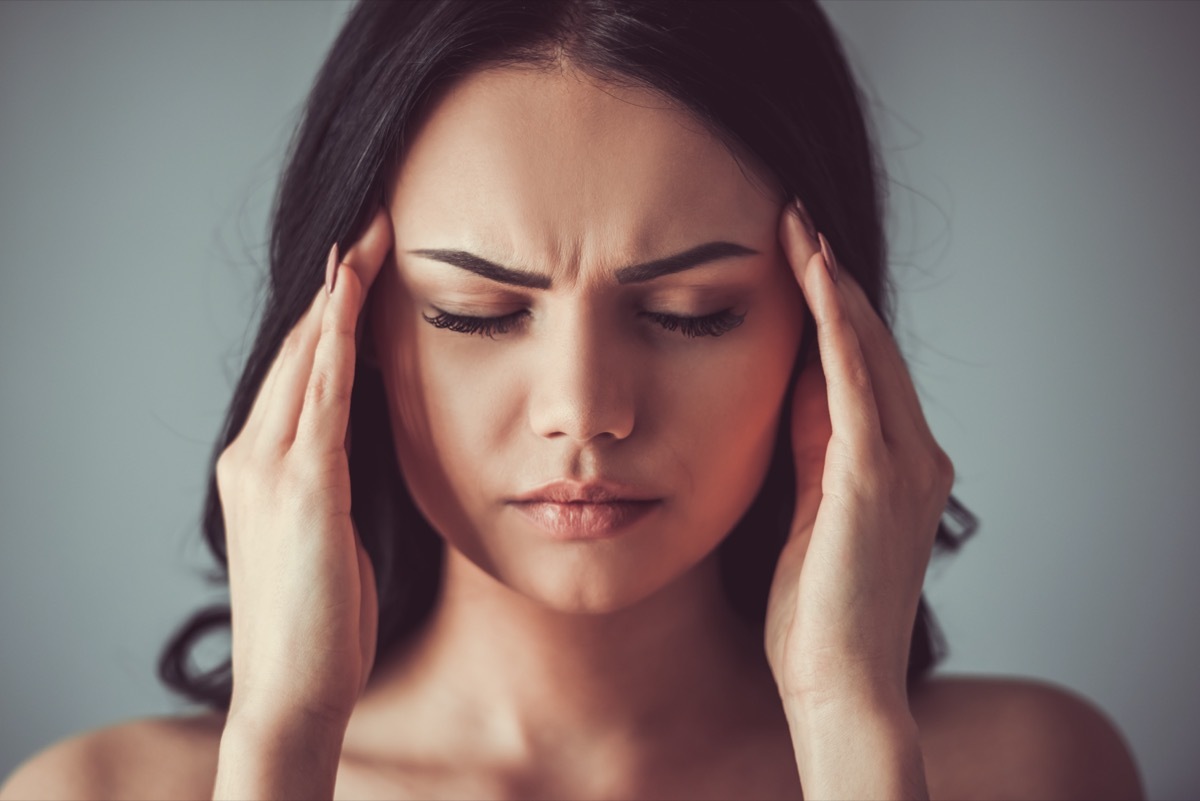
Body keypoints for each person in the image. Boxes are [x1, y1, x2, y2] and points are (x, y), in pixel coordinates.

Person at [1, 1, 1143, 799]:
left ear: (830, 331)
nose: (585, 410)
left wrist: (852, 735)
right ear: (340, 336)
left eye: (692, 310)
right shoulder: (97, 795)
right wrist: (284, 752)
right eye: (476, 314)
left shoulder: (1032, 773)